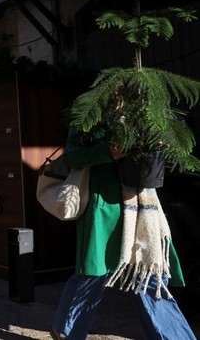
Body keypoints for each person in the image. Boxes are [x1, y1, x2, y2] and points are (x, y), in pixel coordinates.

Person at [50, 126, 196, 340]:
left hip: (143, 208)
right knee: (93, 274)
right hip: (104, 209)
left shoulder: (144, 111)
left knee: (149, 275)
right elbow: (72, 157)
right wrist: (108, 152)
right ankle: (65, 332)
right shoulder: (93, 112)